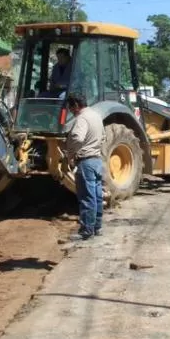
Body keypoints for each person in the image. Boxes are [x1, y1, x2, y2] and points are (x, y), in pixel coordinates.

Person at [64, 92, 104, 241]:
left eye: (70, 108)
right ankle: (96, 227)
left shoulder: (82, 118)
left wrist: (70, 154)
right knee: (97, 196)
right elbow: (103, 137)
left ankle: (86, 231)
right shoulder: (96, 116)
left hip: (85, 162)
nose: (71, 111)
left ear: (75, 105)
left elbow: (76, 137)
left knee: (87, 197)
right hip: (97, 161)